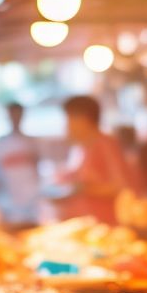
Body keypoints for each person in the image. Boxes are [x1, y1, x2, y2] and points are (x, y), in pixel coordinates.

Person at [54, 95, 129, 224]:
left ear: (83, 119)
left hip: (103, 225)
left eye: (69, 118)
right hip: (80, 224)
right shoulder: (78, 148)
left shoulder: (106, 144)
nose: (67, 125)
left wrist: (83, 189)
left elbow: (120, 186)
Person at [0, 102, 41, 227]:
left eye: (18, 114)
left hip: (31, 203)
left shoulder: (31, 142)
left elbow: (37, 170)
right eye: (12, 114)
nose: (15, 118)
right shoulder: (1, 143)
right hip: (9, 203)